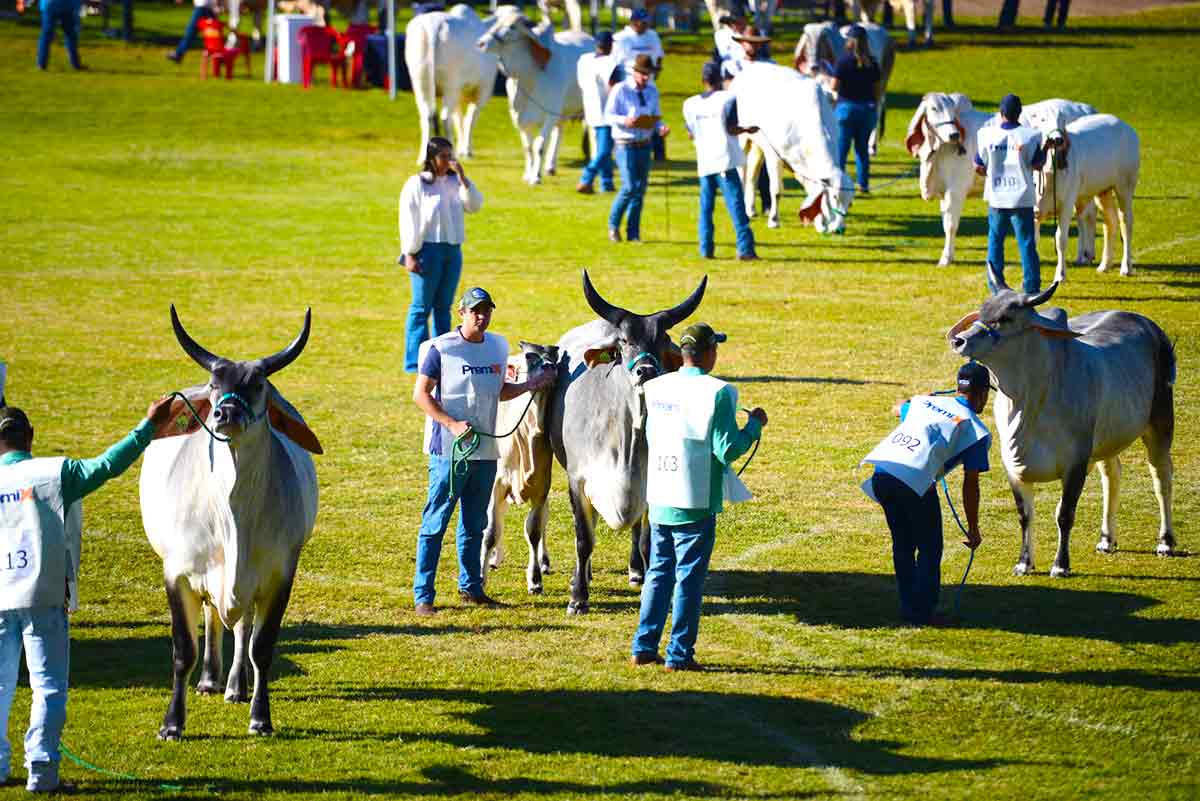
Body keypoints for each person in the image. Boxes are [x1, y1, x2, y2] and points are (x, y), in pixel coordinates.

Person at [0, 397, 174, 792]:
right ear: (31, 437)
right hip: (43, 595)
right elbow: (108, 465)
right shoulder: (54, 472)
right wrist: (148, 426)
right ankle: (42, 772)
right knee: (47, 688)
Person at [631, 323, 766, 671]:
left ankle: (643, 646)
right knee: (688, 579)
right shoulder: (719, 392)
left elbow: (649, 432)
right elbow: (728, 449)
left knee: (658, 574)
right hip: (695, 497)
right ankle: (679, 654)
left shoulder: (657, 386)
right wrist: (754, 426)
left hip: (660, 493)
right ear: (709, 353)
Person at [411, 288, 553, 615]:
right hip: (450, 452)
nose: (481, 316)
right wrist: (451, 424)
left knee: (475, 523)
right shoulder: (440, 349)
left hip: (487, 450)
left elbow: (499, 390)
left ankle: (472, 587)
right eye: (475, 310)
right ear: (460, 312)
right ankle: (424, 596)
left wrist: (532, 384)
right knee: (436, 522)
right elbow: (420, 394)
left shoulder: (497, 347)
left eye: (486, 310)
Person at [861, 362, 990, 626]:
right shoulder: (975, 430)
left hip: (882, 473)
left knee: (903, 544)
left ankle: (910, 608)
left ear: (958, 387)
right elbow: (971, 484)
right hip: (914, 480)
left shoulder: (921, 404)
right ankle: (923, 612)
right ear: (983, 393)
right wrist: (973, 529)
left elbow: (897, 406)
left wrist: (922, 399)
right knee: (930, 549)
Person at [398, 137, 484, 373]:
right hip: (427, 251)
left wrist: (464, 178)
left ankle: (442, 357)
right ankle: (415, 362)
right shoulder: (417, 184)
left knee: (443, 307)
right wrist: (409, 253)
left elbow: (475, 205)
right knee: (420, 307)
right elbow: (408, 220)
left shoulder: (457, 182)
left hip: (452, 251)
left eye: (450, 155)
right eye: (444, 156)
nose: (449, 161)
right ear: (431, 158)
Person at [682, 62, 758, 261]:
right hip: (724, 160)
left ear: (703, 80)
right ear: (721, 79)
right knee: (736, 206)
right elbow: (731, 128)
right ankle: (745, 249)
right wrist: (747, 130)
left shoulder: (690, 104)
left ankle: (706, 249)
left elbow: (690, 132)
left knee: (706, 209)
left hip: (704, 161)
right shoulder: (727, 98)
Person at [974, 94, 1047, 294]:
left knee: (995, 241)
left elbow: (978, 166)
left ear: (1001, 113)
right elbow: (1038, 164)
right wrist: (1047, 148)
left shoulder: (985, 135)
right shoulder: (1031, 135)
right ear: (1019, 113)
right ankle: (1031, 286)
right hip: (1022, 198)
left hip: (997, 197)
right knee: (1026, 243)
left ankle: (995, 286)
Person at [604, 54, 670, 244]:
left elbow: (656, 115)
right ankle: (613, 225)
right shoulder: (621, 89)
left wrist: (661, 127)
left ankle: (633, 232)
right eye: (642, 73)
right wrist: (624, 120)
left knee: (640, 190)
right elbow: (608, 115)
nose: (645, 78)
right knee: (629, 186)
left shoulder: (652, 91)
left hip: (644, 144)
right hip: (625, 144)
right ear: (634, 72)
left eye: (648, 74)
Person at [832, 25, 881, 195]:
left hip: (846, 109)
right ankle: (863, 185)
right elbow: (877, 90)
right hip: (867, 110)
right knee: (862, 150)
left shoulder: (843, 61)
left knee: (841, 150)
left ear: (849, 41)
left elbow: (834, 86)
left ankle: (839, 183)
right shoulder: (873, 63)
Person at [612, 9, 666, 160]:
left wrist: (656, 73)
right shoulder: (621, 38)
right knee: (630, 116)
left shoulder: (652, 35)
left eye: (647, 22)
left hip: (649, 82)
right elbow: (614, 64)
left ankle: (658, 152)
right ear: (633, 22)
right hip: (628, 84)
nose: (646, 25)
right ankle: (623, 150)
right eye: (643, 22)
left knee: (653, 114)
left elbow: (659, 55)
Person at [576, 32, 624, 195]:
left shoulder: (584, 60)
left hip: (590, 110)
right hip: (607, 112)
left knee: (603, 149)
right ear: (610, 45)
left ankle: (607, 183)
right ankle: (586, 178)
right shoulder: (611, 62)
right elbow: (614, 86)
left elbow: (581, 84)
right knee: (604, 151)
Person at [35, 0, 84, 71]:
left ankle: (41, 64)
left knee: (46, 35)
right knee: (70, 35)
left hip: (52, 5)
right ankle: (76, 64)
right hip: (64, 6)